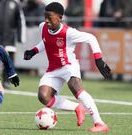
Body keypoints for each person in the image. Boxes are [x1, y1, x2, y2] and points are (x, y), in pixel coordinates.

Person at [24, 2, 111, 133]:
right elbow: (46, 41)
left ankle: (99, 123)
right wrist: (34, 51)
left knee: (75, 86)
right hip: (53, 70)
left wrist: (98, 60)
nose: (46, 20)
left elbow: (91, 38)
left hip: (68, 66)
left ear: (59, 17)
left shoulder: (69, 32)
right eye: (45, 17)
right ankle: (77, 108)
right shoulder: (43, 26)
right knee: (43, 96)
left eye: (49, 17)